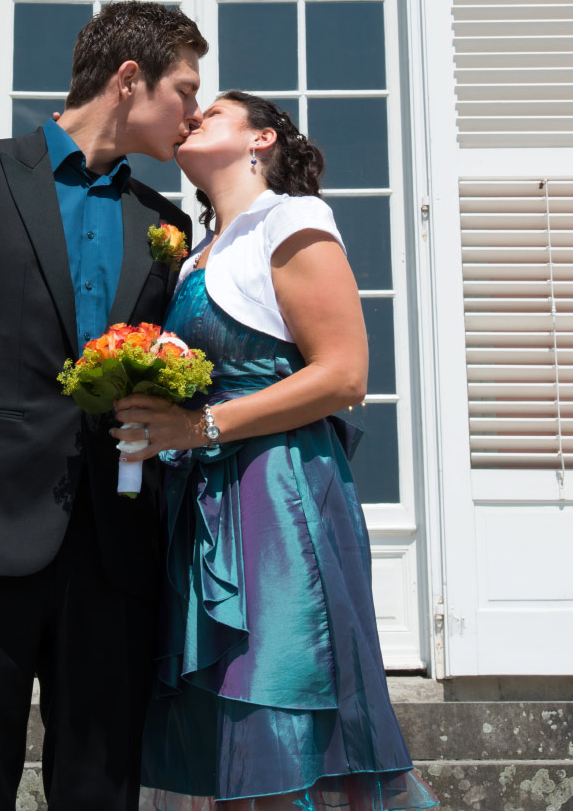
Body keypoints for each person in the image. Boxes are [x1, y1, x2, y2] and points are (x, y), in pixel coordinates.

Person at [0, 0, 208, 811]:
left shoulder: (162, 222)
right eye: (186, 90)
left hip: (115, 545)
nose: (195, 116)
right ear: (130, 80)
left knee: (100, 789)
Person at [113, 91, 440, 811]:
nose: (194, 115)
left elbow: (344, 374)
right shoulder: (195, 252)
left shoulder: (289, 220)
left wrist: (199, 428)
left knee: (280, 698)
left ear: (262, 139)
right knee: (228, 724)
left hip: (279, 499)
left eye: (216, 111)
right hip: (203, 506)